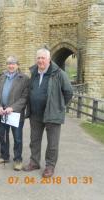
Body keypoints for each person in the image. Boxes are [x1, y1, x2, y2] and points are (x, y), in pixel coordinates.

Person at [23, 48, 73, 177]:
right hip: (35, 114)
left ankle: (50, 166)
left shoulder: (59, 74)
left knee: (52, 143)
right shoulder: (33, 72)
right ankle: (34, 162)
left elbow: (68, 92)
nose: (40, 60)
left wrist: (59, 107)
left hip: (52, 114)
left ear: (49, 59)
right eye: (38, 58)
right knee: (34, 140)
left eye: (43, 58)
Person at [0, 56, 29, 171]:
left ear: (17, 65)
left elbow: (24, 97)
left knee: (17, 138)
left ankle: (18, 159)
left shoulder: (24, 79)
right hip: (3, 113)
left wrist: (12, 108)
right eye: (9, 63)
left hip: (15, 114)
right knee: (2, 135)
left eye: (13, 64)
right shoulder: (1, 78)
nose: (11, 66)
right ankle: (4, 156)